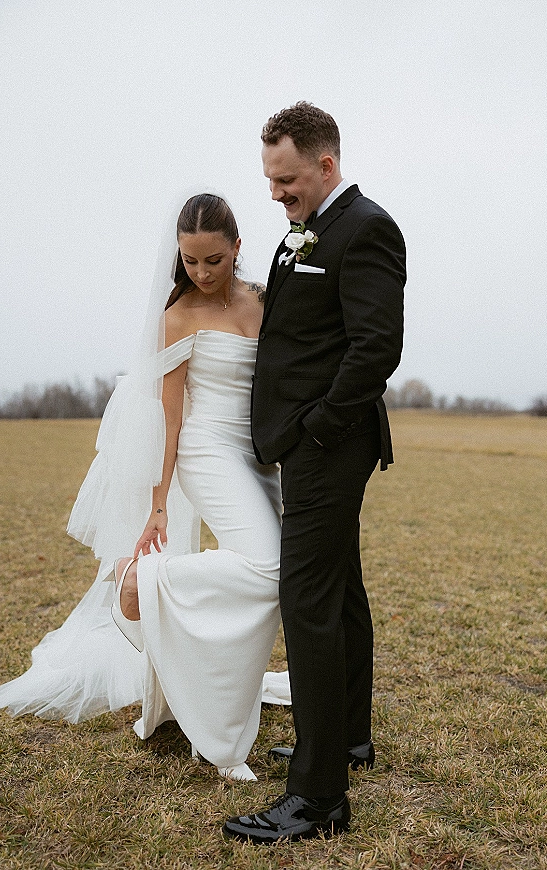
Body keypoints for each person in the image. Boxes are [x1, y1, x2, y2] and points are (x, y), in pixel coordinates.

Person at [0, 193, 290, 781]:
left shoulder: (262, 302)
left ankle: (211, 688)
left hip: (258, 457)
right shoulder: (177, 316)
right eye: (189, 261)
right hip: (205, 451)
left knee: (280, 578)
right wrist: (158, 505)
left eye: (213, 260)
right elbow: (171, 417)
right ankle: (148, 580)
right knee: (270, 567)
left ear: (237, 248)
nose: (201, 274)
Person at [223, 103, 406, 840]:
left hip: (328, 446)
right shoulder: (306, 233)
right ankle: (347, 739)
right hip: (308, 443)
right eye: (270, 179)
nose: (276, 193)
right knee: (341, 592)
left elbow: (376, 348)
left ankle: (319, 798)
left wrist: (317, 431)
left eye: (287, 179)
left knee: (308, 603)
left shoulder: (366, 229)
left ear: (325, 165)